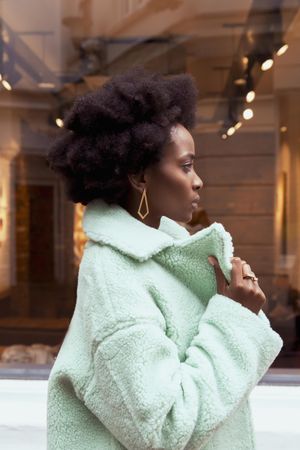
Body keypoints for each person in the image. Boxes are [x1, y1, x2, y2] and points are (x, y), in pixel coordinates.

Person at [46, 67, 282, 450]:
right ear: (140, 176)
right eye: (186, 166)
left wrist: (235, 310)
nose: (198, 180)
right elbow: (163, 425)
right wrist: (234, 320)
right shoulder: (114, 274)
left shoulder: (166, 259)